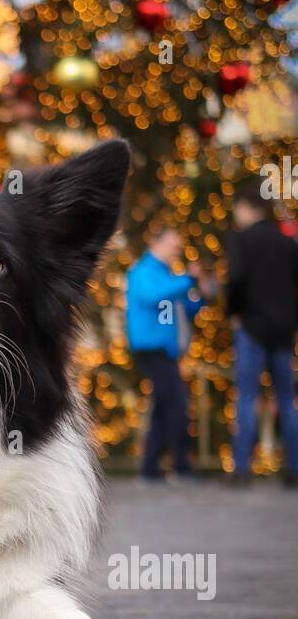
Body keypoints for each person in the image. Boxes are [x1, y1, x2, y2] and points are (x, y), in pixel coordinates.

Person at [226, 179, 298, 486]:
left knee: (247, 398)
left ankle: (242, 468)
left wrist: (234, 313)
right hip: (283, 328)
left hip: (252, 326)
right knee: (287, 399)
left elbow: (236, 279)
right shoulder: (286, 241)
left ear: (246, 208)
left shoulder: (240, 240)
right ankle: (295, 469)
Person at [126, 224, 210, 483]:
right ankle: (181, 466)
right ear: (157, 244)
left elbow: (185, 307)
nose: (176, 251)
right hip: (151, 350)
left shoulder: (167, 275)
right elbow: (154, 296)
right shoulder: (143, 272)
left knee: (164, 407)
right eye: (172, 246)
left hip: (165, 351)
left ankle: (150, 468)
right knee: (176, 404)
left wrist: (201, 296)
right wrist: (188, 279)